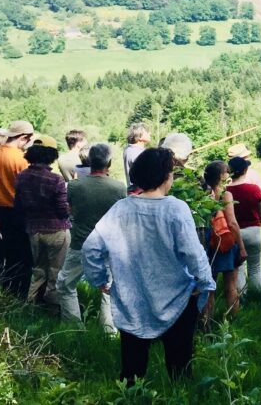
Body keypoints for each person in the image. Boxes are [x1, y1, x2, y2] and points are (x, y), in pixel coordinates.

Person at [82, 147, 216, 385]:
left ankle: (131, 398)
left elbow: (90, 247)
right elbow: (194, 254)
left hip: (132, 298)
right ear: (165, 176)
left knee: (132, 370)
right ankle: (179, 399)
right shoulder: (176, 209)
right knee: (180, 366)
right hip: (178, 298)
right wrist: (205, 282)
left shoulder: (120, 209)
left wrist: (100, 279)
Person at [56, 144, 124, 332]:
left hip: (80, 243)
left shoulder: (75, 186)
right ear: (109, 162)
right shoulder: (119, 188)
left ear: (88, 161)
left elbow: (68, 210)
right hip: (108, 245)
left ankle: (74, 327)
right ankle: (109, 330)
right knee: (109, 288)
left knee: (65, 284)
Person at [15, 135, 72, 305]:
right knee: (56, 272)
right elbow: (62, 210)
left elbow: (18, 204)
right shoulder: (56, 180)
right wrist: (71, 210)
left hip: (34, 230)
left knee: (38, 271)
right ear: (51, 155)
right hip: (57, 231)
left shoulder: (21, 177)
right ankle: (53, 309)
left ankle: (30, 307)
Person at [0, 120, 34, 297]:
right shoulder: (21, 160)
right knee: (20, 259)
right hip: (16, 213)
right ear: (24, 138)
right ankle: (17, 296)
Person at [201, 161, 247, 321]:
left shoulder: (203, 194)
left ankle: (207, 321)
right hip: (226, 243)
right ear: (221, 176)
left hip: (210, 243)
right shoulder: (225, 195)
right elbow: (232, 223)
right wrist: (241, 247)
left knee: (210, 287)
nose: (229, 173)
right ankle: (234, 320)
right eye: (226, 171)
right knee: (231, 286)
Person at [226, 157, 261, 297]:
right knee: (255, 267)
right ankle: (258, 295)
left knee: (240, 267)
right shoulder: (254, 189)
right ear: (245, 170)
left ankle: (241, 297)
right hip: (253, 230)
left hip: (235, 233)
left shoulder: (226, 192)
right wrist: (259, 221)